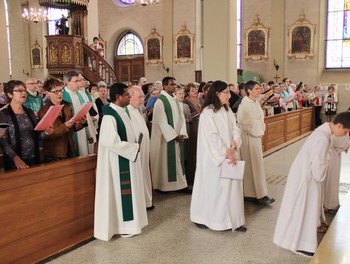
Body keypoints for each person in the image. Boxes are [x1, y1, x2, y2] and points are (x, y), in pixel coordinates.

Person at [273, 112, 350, 258]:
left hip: (306, 176)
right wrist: (327, 162)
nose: (344, 135)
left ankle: (301, 241)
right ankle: (300, 244)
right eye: (345, 132)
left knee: (306, 210)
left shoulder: (324, 131)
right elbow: (318, 169)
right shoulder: (323, 138)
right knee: (303, 209)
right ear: (339, 125)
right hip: (307, 179)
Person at [190, 80, 246, 232]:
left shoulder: (227, 110)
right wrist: (226, 154)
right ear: (216, 94)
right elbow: (212, 138)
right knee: (216, 189)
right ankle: (212, 219)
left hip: (230, 153)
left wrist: (233, 146)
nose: (229, 95)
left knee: (233, 187)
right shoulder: (208, 113)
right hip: (214, 158)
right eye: (226, 92)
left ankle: (235, 220)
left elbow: (236, 128)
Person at [94, 82, 148, 241]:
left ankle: (130, 224)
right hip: (117, 162)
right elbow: (110, 141)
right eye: (126, 94)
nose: (129, 97)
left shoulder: (122, 111)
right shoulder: (110, 115)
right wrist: (132, 148)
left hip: (127, 158)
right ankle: (122, 226)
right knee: (120, 194)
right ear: (118, 97)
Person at [237, 80, 275, 205]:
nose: (260, 90)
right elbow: (245, 123)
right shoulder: (245, 104)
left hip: (256, 136)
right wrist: (257, 126)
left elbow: (260, 119)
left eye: (259, 88)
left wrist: (259, 126)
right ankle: (253, 194)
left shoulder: (256, 103)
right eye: (257, 88)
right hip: (249, 138)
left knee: (257, 165)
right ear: (249, 90)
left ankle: (258, 193)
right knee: (251, 166)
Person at [0, 80, 52, 170]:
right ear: (10, 94)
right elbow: (3, 142)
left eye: (24, 90)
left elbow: (37, 136)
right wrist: (15, 158)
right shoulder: (4, 114)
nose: (23, 93)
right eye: (19, 91)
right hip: (15, 161)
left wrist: (46, 133)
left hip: (34, 157)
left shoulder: (29, 112)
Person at [150, 76, 189, 193]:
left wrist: (181, 133)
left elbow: (181, 118)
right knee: (166, 162)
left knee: (177, 161)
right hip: (165, 139)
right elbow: (161, 121)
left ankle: (180, 185)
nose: (174, 87)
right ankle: (164, 186)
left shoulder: (175, 100)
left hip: (177, 136)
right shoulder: (160, 101)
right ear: (165, 86)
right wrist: (173, 135)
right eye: (172, 84)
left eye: (175, 84)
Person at [38, 77, 87, 163]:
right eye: (56, 92)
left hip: (70, 148)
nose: (60, 94)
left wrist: (82, 123)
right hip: (55, 152)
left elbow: (73, 128)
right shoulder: (44, 111)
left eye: (61, 90)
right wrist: (65, 126)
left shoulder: (67, 105)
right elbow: (49, 135)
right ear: (47, 93)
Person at [127, 86, 154, 210]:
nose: (143, 100)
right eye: (140, 97)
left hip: (143, 148)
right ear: (130, 97)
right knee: (139, 174)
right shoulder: (126, 111)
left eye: (143, 96)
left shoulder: (136, 109)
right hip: (135, 150)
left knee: (144, 172)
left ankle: (146, 200)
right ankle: (141, 202)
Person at [62, 71, 89, 156]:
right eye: (76, 81)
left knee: (83, 151)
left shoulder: (79, 94)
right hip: (71, 130)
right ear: (67, 83)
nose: (79, 83)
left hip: (81, 127)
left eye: (79, 80)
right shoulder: (63, 96)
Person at [323, 133, 350, 213]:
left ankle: (327, 203)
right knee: (332, 179)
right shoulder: (339, 129)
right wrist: (347, 141)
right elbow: (341, 143)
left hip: (332, 154)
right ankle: (330, 205)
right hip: (332, 155)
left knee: (330, 179)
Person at [183, 83, 201, 186]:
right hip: (193, 127)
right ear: (188, 92)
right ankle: (191, 176)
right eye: (192, 90)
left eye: (196, 89)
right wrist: (197, 112)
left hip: (201, 125)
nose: (195, 91)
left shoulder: (200, 99)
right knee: (193, 151)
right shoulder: (186, 102)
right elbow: (188, 115)